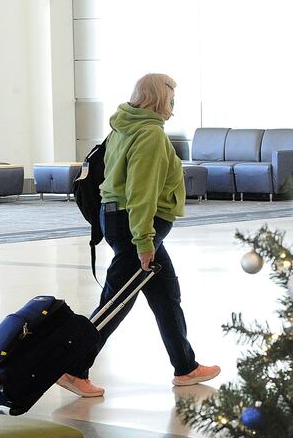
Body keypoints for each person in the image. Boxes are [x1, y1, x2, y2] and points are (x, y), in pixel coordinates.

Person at [58, 73, 219, 397]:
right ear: (160, 99)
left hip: (121, 218)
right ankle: (74, 369)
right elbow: (141, 192)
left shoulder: (124, 125)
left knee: (165, 294)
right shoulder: (150, 135)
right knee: (117, 300)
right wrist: (144, 241)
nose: (174, 105)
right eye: (171, 98)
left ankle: (185, 366)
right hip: (137, 224)